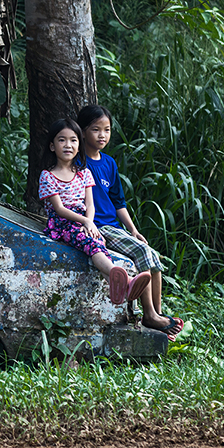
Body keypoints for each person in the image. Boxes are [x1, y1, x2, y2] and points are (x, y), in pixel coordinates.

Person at [76, 104, 184, 339]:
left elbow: (119, 202)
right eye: (96, 130)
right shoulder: (78, 163)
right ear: (83, 132)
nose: (102, 135)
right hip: (98, 226)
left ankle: (158, 313)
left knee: (151, 254)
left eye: (107, 130)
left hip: (114, 226)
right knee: (142, 253)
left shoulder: (109, 163)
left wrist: (133, 229)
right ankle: (150, 315)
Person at [38, 118, 150, 307]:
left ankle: (117, 287)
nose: (68, 145)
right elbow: (59, 209)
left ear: (79, 144)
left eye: (73, 140)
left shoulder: (84, 173)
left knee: (98, 240)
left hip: (84, 219)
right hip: (63, 222)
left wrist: (89, 222)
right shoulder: (48, 175)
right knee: (92, 243)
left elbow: (90, 204)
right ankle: (126, 282)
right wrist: (86, 223)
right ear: (52, 146)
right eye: (61, 140)